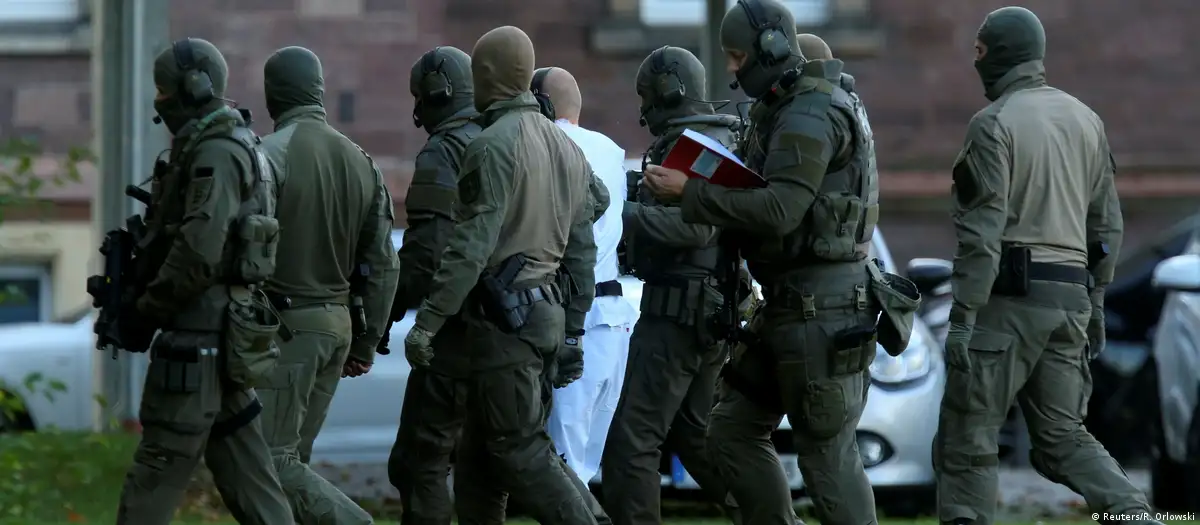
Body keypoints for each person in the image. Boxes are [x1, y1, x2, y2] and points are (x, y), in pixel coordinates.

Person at [642, 0, 887, 522]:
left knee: (826, 455)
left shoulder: (809, 112)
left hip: (822, 310)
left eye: (737, 56)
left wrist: (690, 192)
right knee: (730, 430)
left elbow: (780, 210)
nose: (733, 69)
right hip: (789, 306)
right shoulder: (788, 107)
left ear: (771, 46)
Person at [935, 7, 1157, 525]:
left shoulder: (993, 124)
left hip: (1008, 302)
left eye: (980, 51)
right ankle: (1131, 514)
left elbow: (982, 233)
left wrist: (963, 317)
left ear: (1000, 53)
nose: (976, 62)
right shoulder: (1086, 120)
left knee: (967, 435)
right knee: (1061, 436)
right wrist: (1095, 301)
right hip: (1070, 297)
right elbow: (1107, 226)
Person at [403, 25, 604, 525]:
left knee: (519, 452)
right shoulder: (566, 147)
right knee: (481, 465)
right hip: (543, 315)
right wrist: (574, 329)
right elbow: (584, 243)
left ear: (487, 76)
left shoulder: (492, 145)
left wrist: (428, 322)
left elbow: (470, 247)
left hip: (503, 324)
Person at [115, 37, 294, 525]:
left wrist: (144, 311)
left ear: (193, 86)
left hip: (198, 344)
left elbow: (198, 252)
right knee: (253, 484)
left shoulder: (216, 151)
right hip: (223, 343)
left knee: (156, 473)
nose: (159, 101)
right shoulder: (238, 143)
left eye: (162, 89)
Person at [600, 45, 746, 525]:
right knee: (694, 436)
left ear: (668, 89)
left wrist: (616, 211)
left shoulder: (693, 143)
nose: (643, 109)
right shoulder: (716, 137)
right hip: (706, 310)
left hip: (678, 314)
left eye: (646, 95)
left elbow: (695, 228)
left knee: (632, 442)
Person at [255, 46, 398, 523]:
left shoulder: (267, 156)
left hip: (286, 329)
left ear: (273, 95)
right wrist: (366, 340)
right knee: (294, 460)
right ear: (318, 90)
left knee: (269, 461)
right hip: (336, 329)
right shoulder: (362, 161)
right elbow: (384, 263)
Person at [384, 45, 483, 525]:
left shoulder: (446, 149)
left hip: (458, 331)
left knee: (418, 462)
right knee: (496, 465)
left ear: (437, 94)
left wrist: (385, 309)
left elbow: (427, 254)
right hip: (513, 329)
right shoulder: (499, 136)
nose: (417, 110)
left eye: (419, 97)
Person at [535, 66, 639, 488]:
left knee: (563, 464)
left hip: (572, 316)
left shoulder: (545, 144)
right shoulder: (612, 151)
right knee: (585, 462)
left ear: (541, 104)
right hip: (614, 318)